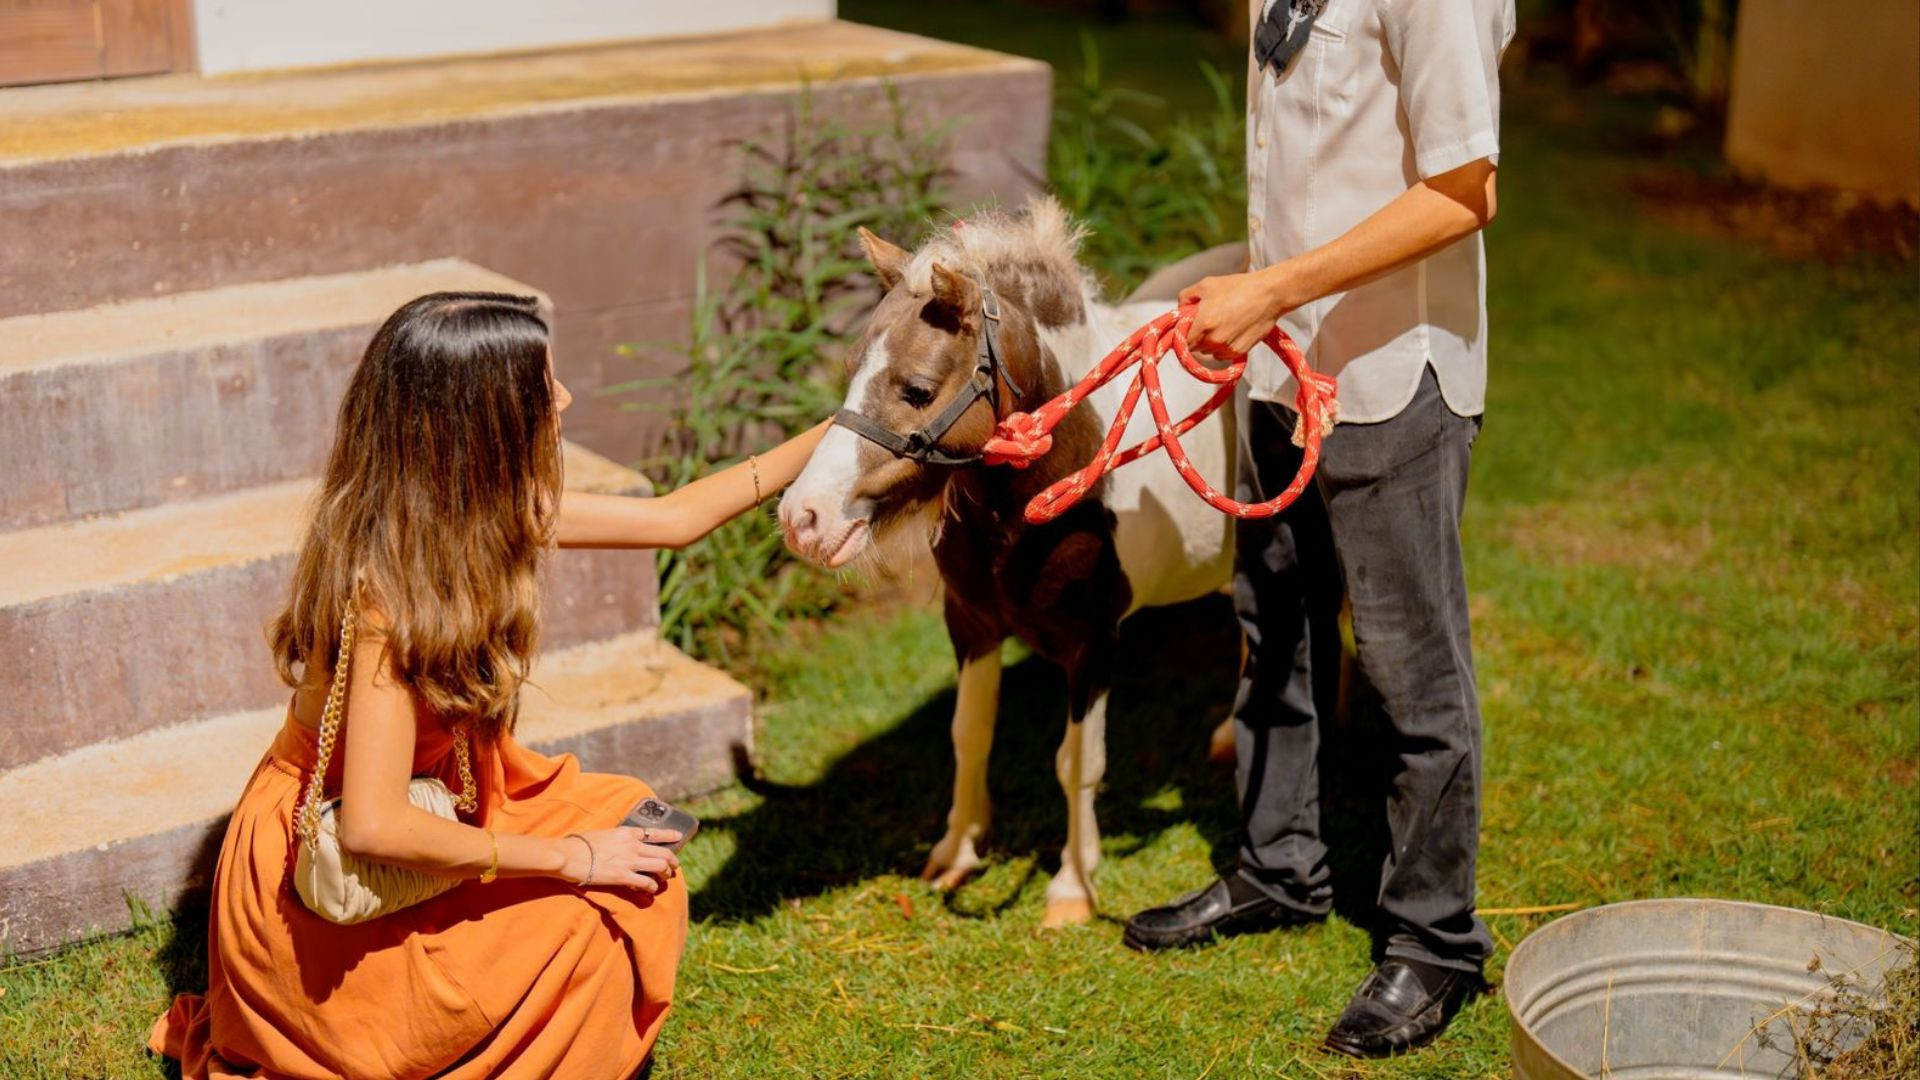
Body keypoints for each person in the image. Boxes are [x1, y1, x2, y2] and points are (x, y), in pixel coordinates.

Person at [150, 292, 828, 1079]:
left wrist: (848, 429)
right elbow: (371, 827)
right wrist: (573, 859)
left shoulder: (472, 509)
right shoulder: (387, 596)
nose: (566, 398)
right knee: (594, 917)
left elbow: (674, 518)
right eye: (545, 386)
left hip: (437, 797)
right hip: (333, 865)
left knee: (629, 830)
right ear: (484, 420)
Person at [1122, 0, 1515, 1059]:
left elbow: (1463, 190)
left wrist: (1273, 288)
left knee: (1407, 671)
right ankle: (1277, 868)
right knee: (1273, 626)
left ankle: (1436, 941)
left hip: (1393, 375)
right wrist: (1260, 312)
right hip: (1280, 366)